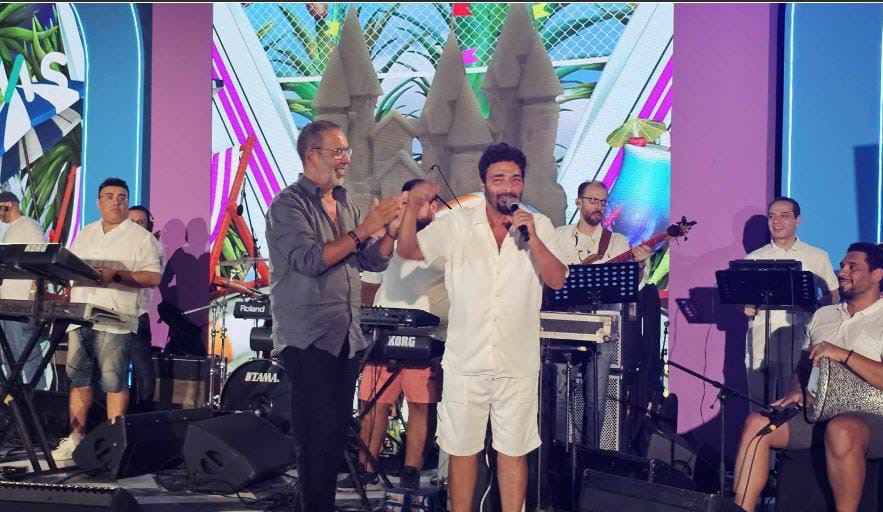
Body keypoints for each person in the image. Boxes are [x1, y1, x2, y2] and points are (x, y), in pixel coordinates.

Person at [397, 143, 567, 512]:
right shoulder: (457, 224)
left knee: (514, 449)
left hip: (516, 363)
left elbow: (556, 279)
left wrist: (534, 240)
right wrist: (411, 209)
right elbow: (409, 251)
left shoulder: (539, 226)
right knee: (462, 450)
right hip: (466, 361)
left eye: (515, 179)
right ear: (484, 183)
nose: (508, 187)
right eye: (499, 179)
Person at [266, 120, 401, 512]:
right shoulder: (288, 205)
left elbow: (370, 260)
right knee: (316, 436)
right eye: (338, 151)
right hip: (307, 335)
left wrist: (389, 233)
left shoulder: (346, 201)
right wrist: (364, 230)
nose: (346, 159)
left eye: (347, 151)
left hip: (345, 333)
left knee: (335, 434)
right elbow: (310, 260)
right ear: (312, 155)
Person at [733, 242, 883, 512]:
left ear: (877, 275)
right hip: (818, 412)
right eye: (843, 266)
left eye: (853, 267)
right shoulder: (823, 315)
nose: (842, 272)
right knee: (757, 424)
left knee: (841, 429)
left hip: (872, 416)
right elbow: (803, 368)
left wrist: (844, 355)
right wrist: (796, 389)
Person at [339, 178, 448, 492]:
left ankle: (411, 469)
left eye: (417, 203)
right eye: (405, 202)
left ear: (433, 206)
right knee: (374, 402)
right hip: (384, 333)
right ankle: (365, 468)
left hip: (426, 335)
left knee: (421, 404)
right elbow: (370, 280)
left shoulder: (445, 237)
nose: (409, 208)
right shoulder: (391, 237)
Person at [51, 178, 163, 462]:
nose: (116, 202)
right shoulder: (86, 232)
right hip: (81, 317)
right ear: (98, 202)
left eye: (121, 197)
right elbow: (70, 266)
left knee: (114, 382)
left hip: (115, 319)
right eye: (109, 196)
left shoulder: (141, 238)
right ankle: (75, 438)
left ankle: (114, 444)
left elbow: (153, 277)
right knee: (79, 380)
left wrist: (117, 275)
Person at [552, 180, 652, 448]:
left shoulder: (617, 242)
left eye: (603, 202)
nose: (598, 206)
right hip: (565, 324)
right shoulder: (558, 236)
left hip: (602, 326)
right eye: (592, 200)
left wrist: (639, 265)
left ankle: (591, 454)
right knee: (560, 396)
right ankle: (558, 453)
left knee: (595, 397)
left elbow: (633, 286)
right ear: (578, 202)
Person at [744, 197, 839, 404]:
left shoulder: (817, 256)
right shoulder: (754, 258)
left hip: (799, 344)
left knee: (793, 404)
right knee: (758, 404)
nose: (776, 221)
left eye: (784, 216)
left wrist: (815, 306)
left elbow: (833, 294)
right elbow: (742, 302)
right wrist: (746, 307)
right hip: (760, 342)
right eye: (772, 216)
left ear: (798, 220)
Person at [0, 191, 49, 390]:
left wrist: (33, 295)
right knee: (11, 355)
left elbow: (41, 258)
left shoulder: (28, 226)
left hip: (22, 303)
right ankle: (15, 398)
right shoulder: (12, 229)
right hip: (9, 303)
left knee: (25, 354)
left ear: (9, 204)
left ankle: (37, 396)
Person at [127, 205, 163, 412]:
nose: (134, 226)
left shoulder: (153, 247)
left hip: (136, 315)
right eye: (130, 222)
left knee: (143, 371)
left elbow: (151, 278)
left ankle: (144, 413)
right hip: (111, 315)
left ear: (148, 226)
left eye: (139, 223)